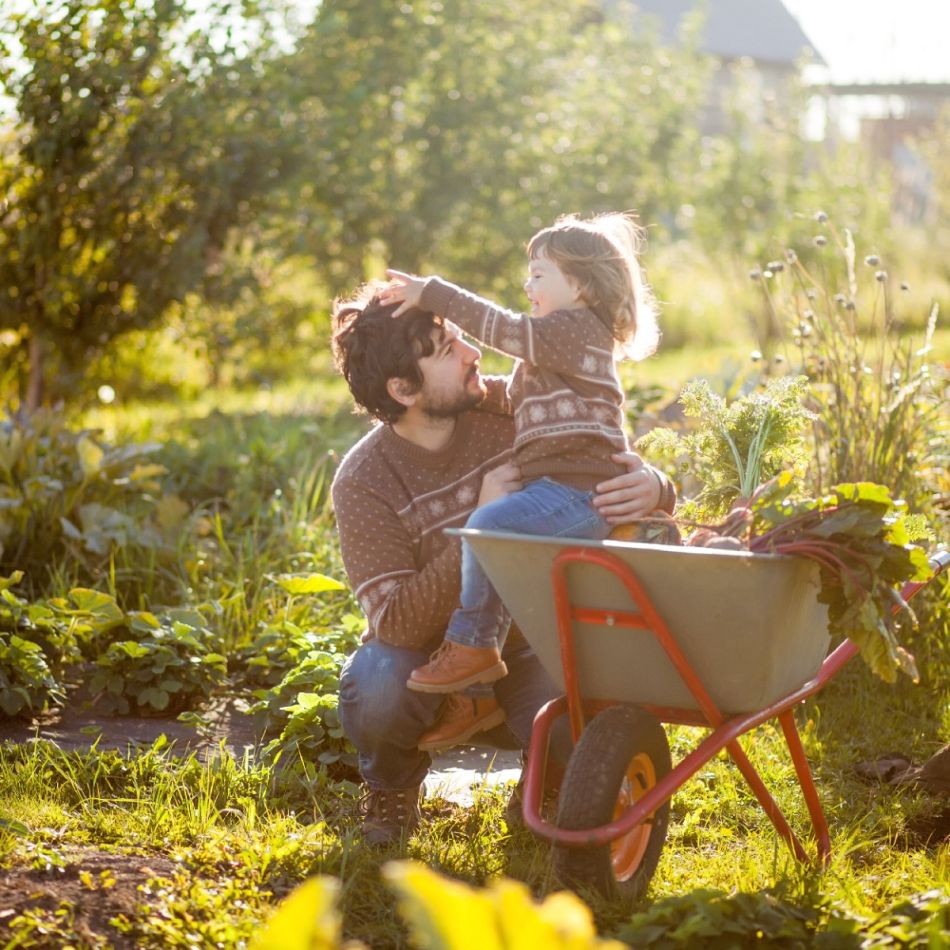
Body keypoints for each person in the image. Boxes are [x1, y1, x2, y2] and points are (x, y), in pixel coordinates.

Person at [330, 279, 675, 846]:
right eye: (448, 351)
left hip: (535, 638)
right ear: (403, 388)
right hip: (433, 658)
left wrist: (654, 486)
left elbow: (610, 464)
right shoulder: (365, 480)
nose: (475, 354)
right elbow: (392, 621)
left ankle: (546, 780)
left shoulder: (514, 407)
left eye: (463, 337)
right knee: (377, 684)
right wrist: (480, 528)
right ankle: (391, 789)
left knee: (585, 724)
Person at [380, 212, 659, 709]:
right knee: (501, 549)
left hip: (581, 491)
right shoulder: (550, 348)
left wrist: (435, 294)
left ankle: (473, 645)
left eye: (539, 274)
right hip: (556, 489)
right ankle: (476, 688)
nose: (526, 283)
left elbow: (502, 328)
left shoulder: (577, 329)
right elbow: (509, 397)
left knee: (489, 525)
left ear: (581, 287)